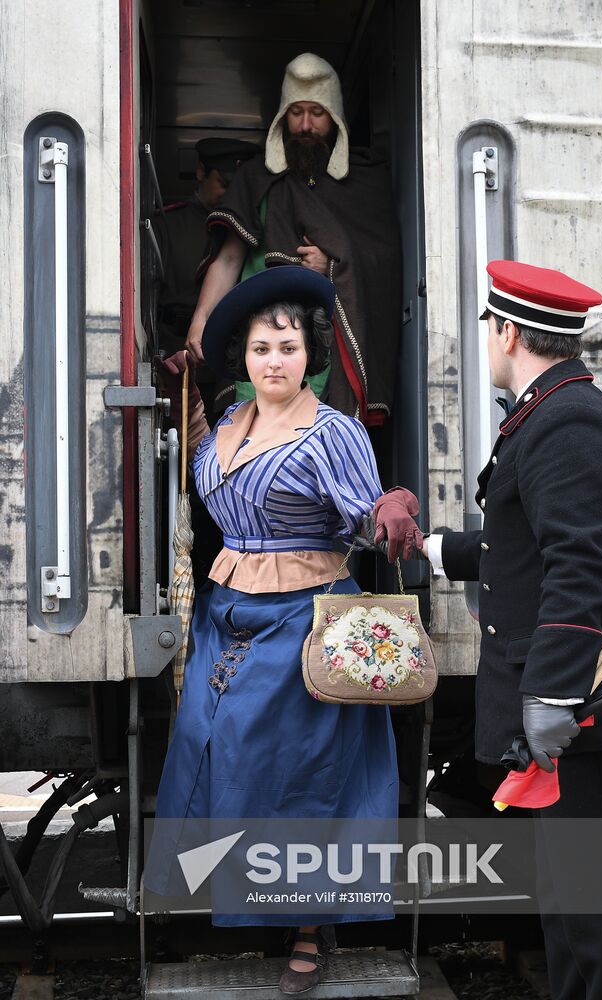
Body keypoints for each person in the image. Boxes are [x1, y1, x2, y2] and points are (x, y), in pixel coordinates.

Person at [380, 260, 602, 1000]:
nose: (487, 341)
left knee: (598, 913)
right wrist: (436, 548)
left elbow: (577, 568)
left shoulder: (566, 420)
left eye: (489, 329)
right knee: (571, 907)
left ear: (508, 331)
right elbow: (531, 544)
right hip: (574, 711)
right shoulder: (550, 409)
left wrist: (546, 698)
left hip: (583, 714)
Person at [145, 266, 399, 994]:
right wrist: (185, 399)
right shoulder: (227, 421)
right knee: (211, 747)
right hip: (227, 614)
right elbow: (207, 475)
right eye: (260, 349)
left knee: (298, 774)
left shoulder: (335, 432)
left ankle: (312, 928)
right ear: (245, 359)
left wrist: (386, 517)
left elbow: (361, 518)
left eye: (286, 347)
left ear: (309, 351)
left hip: (305, 617)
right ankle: (234, 896)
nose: (274, 361)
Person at [184, 52, 402, 425]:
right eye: (295, 112)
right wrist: (200, 320)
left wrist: (332, 265)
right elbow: (229, 258)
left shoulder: (363, 183)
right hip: (257, 344)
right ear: (282, 116)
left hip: (321, 353)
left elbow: (384, 264)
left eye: (316, 113)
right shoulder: (256, 178)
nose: (304, 125)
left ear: (334, 118)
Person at [155, 137, 259, 417]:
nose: (230, 195)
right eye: (224, 184)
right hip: (176, 350)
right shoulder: (168, 223)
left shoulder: (250, 228)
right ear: (201, 172)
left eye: (237, 188)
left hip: (230, 356)